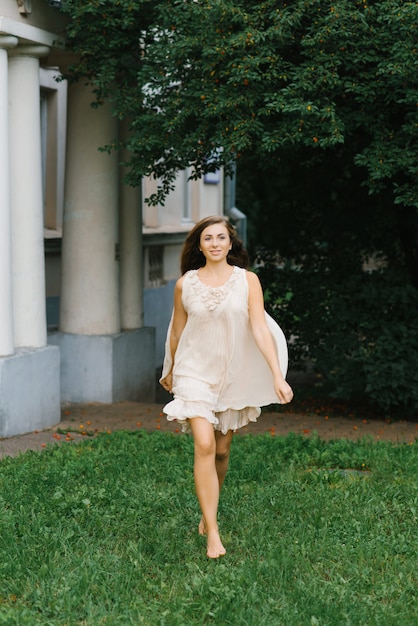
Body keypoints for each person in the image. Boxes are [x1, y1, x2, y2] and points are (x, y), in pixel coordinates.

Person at [160, 215, 293, 558]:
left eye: (221, 237)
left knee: (221, 451)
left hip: (232, 374)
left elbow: (260, 329)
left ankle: (209, 508)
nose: (215, 243)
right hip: (193, 373)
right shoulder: (185, 284)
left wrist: (277, 375)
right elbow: (177, 330)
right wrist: (171, 369)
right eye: (208, 238)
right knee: (204, 444)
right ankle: (212, 531)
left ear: (231, 243)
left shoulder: (248, 281)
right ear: (199, 245)